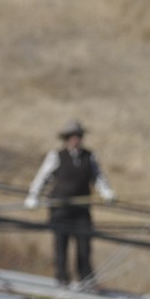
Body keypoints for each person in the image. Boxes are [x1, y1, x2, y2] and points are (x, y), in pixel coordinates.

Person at [24, 120, 116, 287]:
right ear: (66, 139)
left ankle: (86, 281)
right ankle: (62, 280)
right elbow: (42, 177)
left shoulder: (89, 156)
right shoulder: (56, 156)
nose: (77, 139)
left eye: (79, 136)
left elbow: (98, 177)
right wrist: (33, 196)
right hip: (61, 209)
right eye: (73, 136)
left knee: (84, 247)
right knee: (61, 246)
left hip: (81, 210)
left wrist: (106, 192)